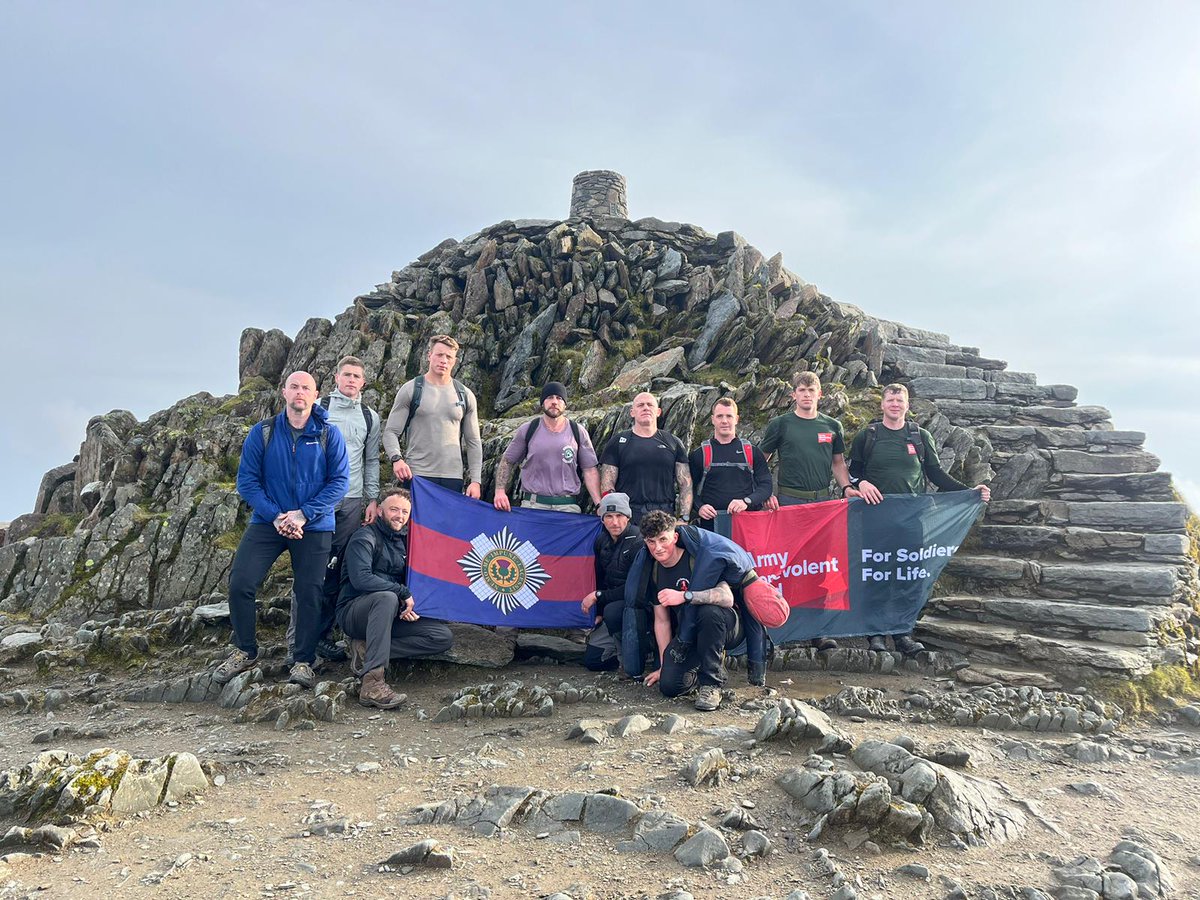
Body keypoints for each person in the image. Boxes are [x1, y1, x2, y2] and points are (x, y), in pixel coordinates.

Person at [213, 371, 349, 689]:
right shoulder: (262, 433)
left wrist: (303, 515)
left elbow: (339, 482)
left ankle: (303, 660)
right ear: (283, 392)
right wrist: (277, 516)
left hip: (314, 525)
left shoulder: (330, 434)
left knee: (309, 592)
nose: (300, 392)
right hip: (268, 522)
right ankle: (245, 650)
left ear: (316, 395)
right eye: (294, 387)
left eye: (306, 388)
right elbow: (247, 481)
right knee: (240, 583)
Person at [847, 383, 992, 655]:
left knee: (908, 576)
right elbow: (852, 472)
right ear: (882, 404)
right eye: (890, 399)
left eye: (900, 400)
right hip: (875, 519)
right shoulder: (867, 436)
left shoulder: (920, 436)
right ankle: (875, 634)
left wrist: (968, 492)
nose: (895, 404)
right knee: (877, 575)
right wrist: (862, 483)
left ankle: (902, 633)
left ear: (907, 405)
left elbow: (936, 474)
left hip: (912, 521)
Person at [623, 510, 775, 710]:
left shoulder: (697, 557)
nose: (658, 548)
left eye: (663, 540)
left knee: (708, 611)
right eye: (651, 542)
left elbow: (726, 597)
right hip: (690, 633)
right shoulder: (654, 571)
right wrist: (663, 664)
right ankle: (703, 666)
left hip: (727, 626)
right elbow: (662, 621)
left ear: (675, 537)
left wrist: (686, 596)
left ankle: (711, 685)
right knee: (669, 686)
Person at [286, 355, 381, 664]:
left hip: (352, 502)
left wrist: (372, 499)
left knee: (336, 570)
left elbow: (370, 460)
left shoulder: (370, 417)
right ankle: (296, 641)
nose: (351, 380)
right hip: (316, 501)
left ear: (363, 382)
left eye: (357, 376)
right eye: (346, 375)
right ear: (336, 378)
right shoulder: (318, 407)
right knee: (309, 570)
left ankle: (322, 637)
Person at [759, 371, 853, 651]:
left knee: (820, 567)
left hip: (823, 505)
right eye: (801, 390)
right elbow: (760, 462)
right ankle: (786, 626)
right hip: (789, 502)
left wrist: (847, 488)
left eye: (811, 390)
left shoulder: (832, 425)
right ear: (794, 395)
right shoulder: (781, 424)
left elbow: (838, 463)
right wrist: (766, 494)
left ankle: (818, 630)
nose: (807, 394)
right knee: (789, 566)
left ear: (820, 394)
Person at [336, 487, 454, 708]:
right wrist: (401, 594)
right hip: (354, 612)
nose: (399, 516)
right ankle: (372, 684)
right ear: (380, 511)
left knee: (441, 636)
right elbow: (361, 579)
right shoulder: (364, 537)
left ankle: (366, 651)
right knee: (387, 597)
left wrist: (409, 606)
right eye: (394, 510)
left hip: (390, 615)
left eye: (404, 512)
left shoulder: (407, 542)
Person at [381, 334, 483, 497]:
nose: (444, 360)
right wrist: (396, 459)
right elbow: (391, 432)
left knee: (448, 524)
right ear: (429, 356)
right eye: (439, 355)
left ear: (455, 361)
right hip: (417, 476)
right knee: (414, 523)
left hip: (453, 478)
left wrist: (475, 481)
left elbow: (473, 442)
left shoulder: (465, 395)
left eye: (449, 357)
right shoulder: (411, 389)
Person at [493, 381, 602, 513]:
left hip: (567, 507)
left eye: (559, 398)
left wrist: (599, 504)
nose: (554, 402)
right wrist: (499, 492)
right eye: (549, 397)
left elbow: (590, 470)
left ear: (565, 404)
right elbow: (507, 461)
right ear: (542, 402)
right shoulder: (528, 430)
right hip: (533, 505)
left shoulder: (578, 431)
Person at [599, 392, 691, 524]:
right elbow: (607, 483)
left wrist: (684, 518)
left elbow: (685, 483)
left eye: (650, 405)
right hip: (629, 515)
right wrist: (615, 515)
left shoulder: (673, 443)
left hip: (664, 515)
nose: (646, 408)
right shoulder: (618, 442)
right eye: (640, 405)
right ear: (632, 412)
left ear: (658, 411)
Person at [688, 397, 772, 530]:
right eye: (720, 416)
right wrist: (699, 507)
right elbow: (688, 489)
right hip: (711, 525)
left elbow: (766, 485)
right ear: (712, 419)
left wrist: (746, 501)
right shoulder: (700, 454)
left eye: (729, 416)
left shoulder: (751, 452)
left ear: (737, 419)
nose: (724, 421)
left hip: (747, 523)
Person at [580, 493, 641, 671]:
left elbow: (635, 588)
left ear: (628, 517)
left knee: (613, 610)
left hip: (637, 607)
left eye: (619, 516)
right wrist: (598, 612)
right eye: (609, 516)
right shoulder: (601, 540)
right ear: (602, 519)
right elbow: (600, 577)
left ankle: (637, 652)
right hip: (611, 607)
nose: (614, 522)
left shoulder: (638, 541)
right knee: (593, 661)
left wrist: (599, 596)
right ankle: (631, 648)